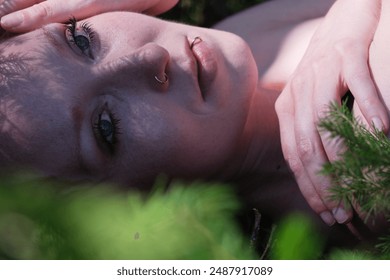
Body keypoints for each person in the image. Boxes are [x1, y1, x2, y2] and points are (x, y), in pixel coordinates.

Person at [0, 0, 388, 239]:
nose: (150, 58)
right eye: (106, 127)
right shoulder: (363, 143)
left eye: (81, 39)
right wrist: (357, 11)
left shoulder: (240, 38)